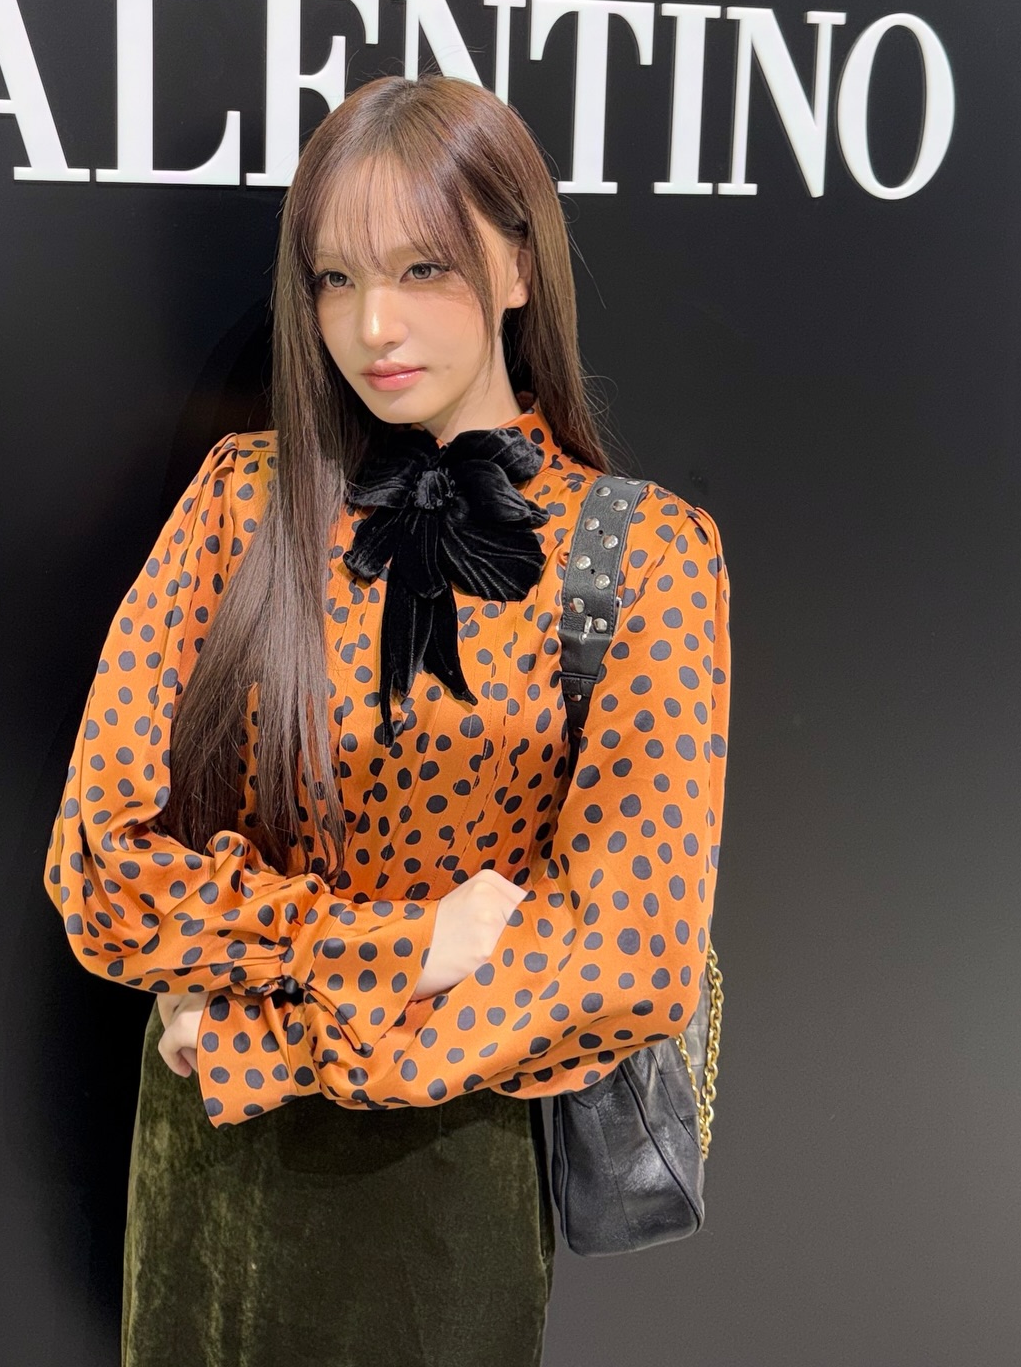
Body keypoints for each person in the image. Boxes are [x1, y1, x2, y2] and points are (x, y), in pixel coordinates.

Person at [45, 74, 730, 1367]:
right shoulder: (241, 503)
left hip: (433, 1179)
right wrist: (412, 942)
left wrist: (266, 1033)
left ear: (517, 264)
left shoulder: (644, 556)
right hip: (206, 1174)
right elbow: (99, 868)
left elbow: (628, 956)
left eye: (423, 268)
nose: (373, 325)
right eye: (334, 279)